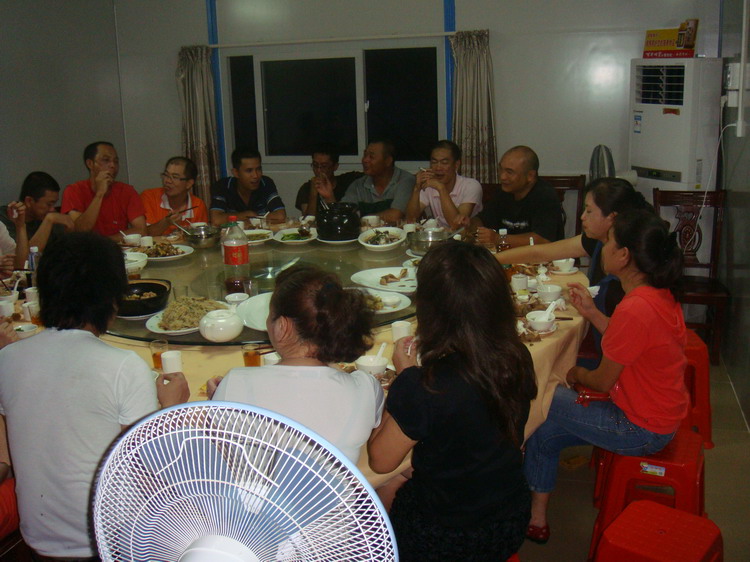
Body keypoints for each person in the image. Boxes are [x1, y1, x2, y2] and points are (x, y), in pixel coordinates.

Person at [0, 232, 189, 559]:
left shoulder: (7, 359)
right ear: (112, 297)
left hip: (38, 540)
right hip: (110, 544)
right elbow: (153, 468)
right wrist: (170, 408)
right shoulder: (123, 366)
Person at [523, 210, 688, 545]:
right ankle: (536, 518)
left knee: (539, 391)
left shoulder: (635, 308)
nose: (604, 247)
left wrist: (573, 373)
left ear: (624, 255)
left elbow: (599, 381)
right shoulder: (654, 295)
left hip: (638, 427)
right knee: (545, 426)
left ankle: (499, 471)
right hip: (658, 415)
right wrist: (591, 312)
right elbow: (628, 341)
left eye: (609, 241)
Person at [368, 241, 538, 561]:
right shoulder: (516, 356)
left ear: (430, 311)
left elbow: (380, 460)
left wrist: (405, 379)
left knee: (378, 486)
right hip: (509, 517)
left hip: (445, 536)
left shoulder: (428, 385)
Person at [208, 265, 383, 463]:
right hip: (335, 485)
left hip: (254, 484)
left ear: (282, 326)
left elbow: (220, 457)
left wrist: (220, 401)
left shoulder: (236, 382)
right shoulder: (365, 388)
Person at [496, 178, 653, 365]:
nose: (582, 217)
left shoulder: (631, 270)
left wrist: (579, 375)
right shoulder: (597, 241)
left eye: (589, 211)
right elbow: (539, 252)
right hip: (604, 344)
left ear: (612, 217)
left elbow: (623, 344)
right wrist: (490, 260)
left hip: (615, 361)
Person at [474, 146, 563, 248]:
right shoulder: (503, 192)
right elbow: (483, 220)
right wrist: (469, 224)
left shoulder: (545, 195)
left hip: (538, 256)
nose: (502, 176)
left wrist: (499, 239)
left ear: (530, 176)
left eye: (509, 172)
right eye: (501, 169)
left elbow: (543, 239)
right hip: (507, 254)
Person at [61, 142, 147, 239]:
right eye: (106, 160)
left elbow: (141, 230)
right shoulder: (74, 190)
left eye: (116, 161)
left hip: (116, 246)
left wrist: (106, 243)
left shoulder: (127, 191)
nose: (113, 165)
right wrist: (100, 194)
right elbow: (80, 231)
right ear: (90, 164)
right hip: (85, 247)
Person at [405, 140, 483, 229]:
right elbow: (410, 220)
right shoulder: (429, 185)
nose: (438, 168)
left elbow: (457, 225)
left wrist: (441, 189)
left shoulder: (471, 186)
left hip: (466, 236)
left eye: (444, 163)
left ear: (456, 165)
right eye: (434, 162)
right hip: (440, 235)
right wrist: (416, 188)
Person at [341, 140, 414, 224]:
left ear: (388, 161)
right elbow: (344, 214)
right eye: (365, 155)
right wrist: (330, 197)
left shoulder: (405, 180)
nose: (365, 160)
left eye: (371, 157)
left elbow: (395, 216)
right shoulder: (358, 185)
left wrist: (360, 220)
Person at [209, 147, 286, 226]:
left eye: (258, 169)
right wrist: (244, 215)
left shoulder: (265, 183)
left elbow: (280, 216)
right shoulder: (223, 186)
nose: (255, 175)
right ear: (236, 173)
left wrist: (254, 219)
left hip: (261, 232)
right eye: (249, 171)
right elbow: (216, 220)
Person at [0, 171, 73, 250]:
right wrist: (48, 221)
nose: (52, 209)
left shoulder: (49, 216)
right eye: (49, 204)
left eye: (54, 204)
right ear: (29, 201)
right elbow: (23, 256)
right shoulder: (5, 219)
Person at [140, 156, 209, 235]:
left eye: (175, 177)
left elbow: (201, 236)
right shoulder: (149, 197)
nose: (167, 181)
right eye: (166, 175)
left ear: (189, 183)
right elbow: (143, 234)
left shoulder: (198, 205)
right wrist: (166, 222)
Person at [294, 145, 363, 216]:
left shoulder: (348, 181)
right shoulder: (306, 188)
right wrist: (313, 194)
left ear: (335, 166)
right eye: (315, 165)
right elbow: (308, 219)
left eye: (324, 166)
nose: (318, 170)